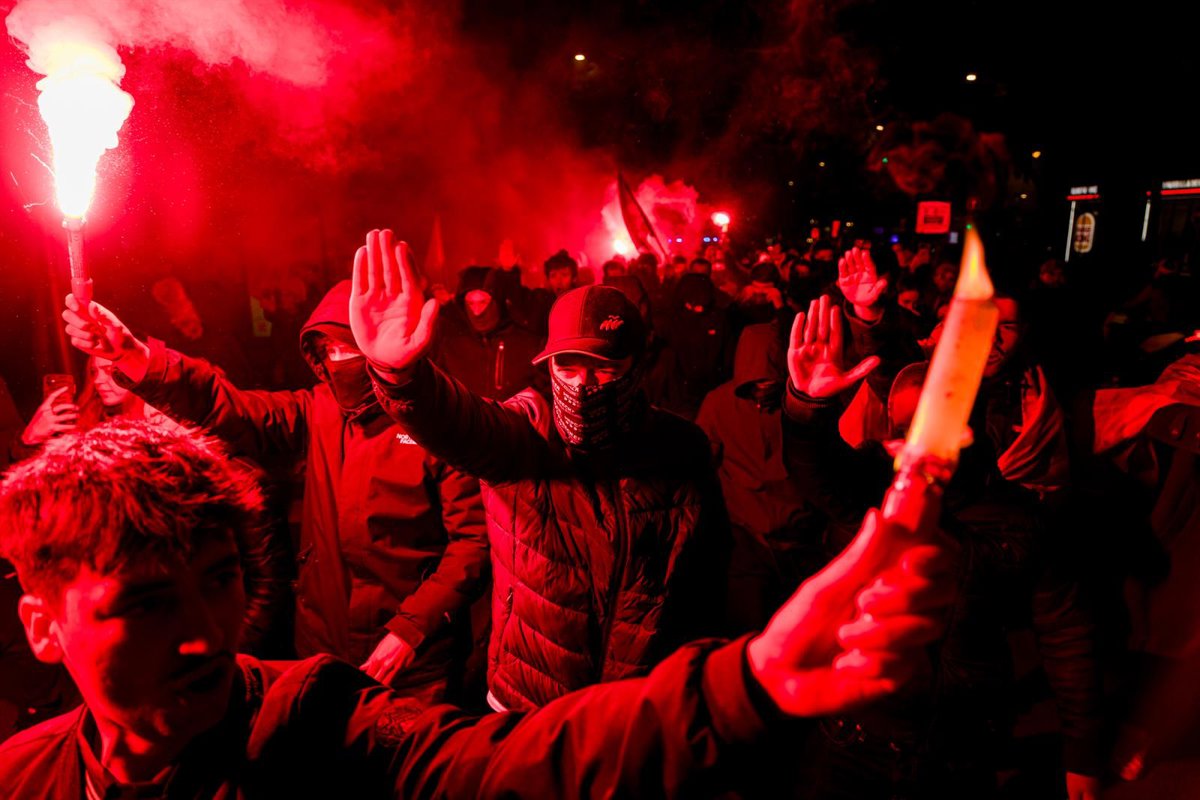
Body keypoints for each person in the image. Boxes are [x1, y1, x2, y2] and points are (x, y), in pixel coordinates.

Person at [0, 417, 954, 798]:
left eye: (220, 578)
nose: (208, 632)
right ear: (43, 627)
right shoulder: (18, 777)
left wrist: (747, 686)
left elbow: (515, 762)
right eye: (148, 603)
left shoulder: (316, 726)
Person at [348, 230, 737, 713]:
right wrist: (402, 378)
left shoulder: (681, 447)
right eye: (567, 368)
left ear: (636, 368)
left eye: (604, 369)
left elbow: (706, 578)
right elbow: (460, 424)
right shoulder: (526, 435)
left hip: (635, 709)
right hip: (528, 706)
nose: (584, 385)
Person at [60, 281, 488, 703]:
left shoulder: (439, 423)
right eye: (328, 350)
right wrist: (136, 358)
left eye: (349, 349)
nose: (337, 361)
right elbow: (229, 407)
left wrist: (411, 629)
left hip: (414, 666)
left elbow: (471, 541)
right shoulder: (317, 410)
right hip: (323, 649)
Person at [782, 296, 1102, 800]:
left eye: (933, 429)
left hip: (959, 749)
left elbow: (1067, 632)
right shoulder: (871, 492)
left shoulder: (1019, 520)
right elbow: (816, 468)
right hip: (852, 739)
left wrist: (1083, 752)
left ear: (969, 434)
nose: (911, 448)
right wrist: (806, 406)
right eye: (902, 433)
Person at [431, 266, 545, 401]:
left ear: (498, 301)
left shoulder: (529, 344)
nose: (477, 312)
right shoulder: (451, 346)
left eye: (483, 302)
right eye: (470, 303)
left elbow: (545, 393)